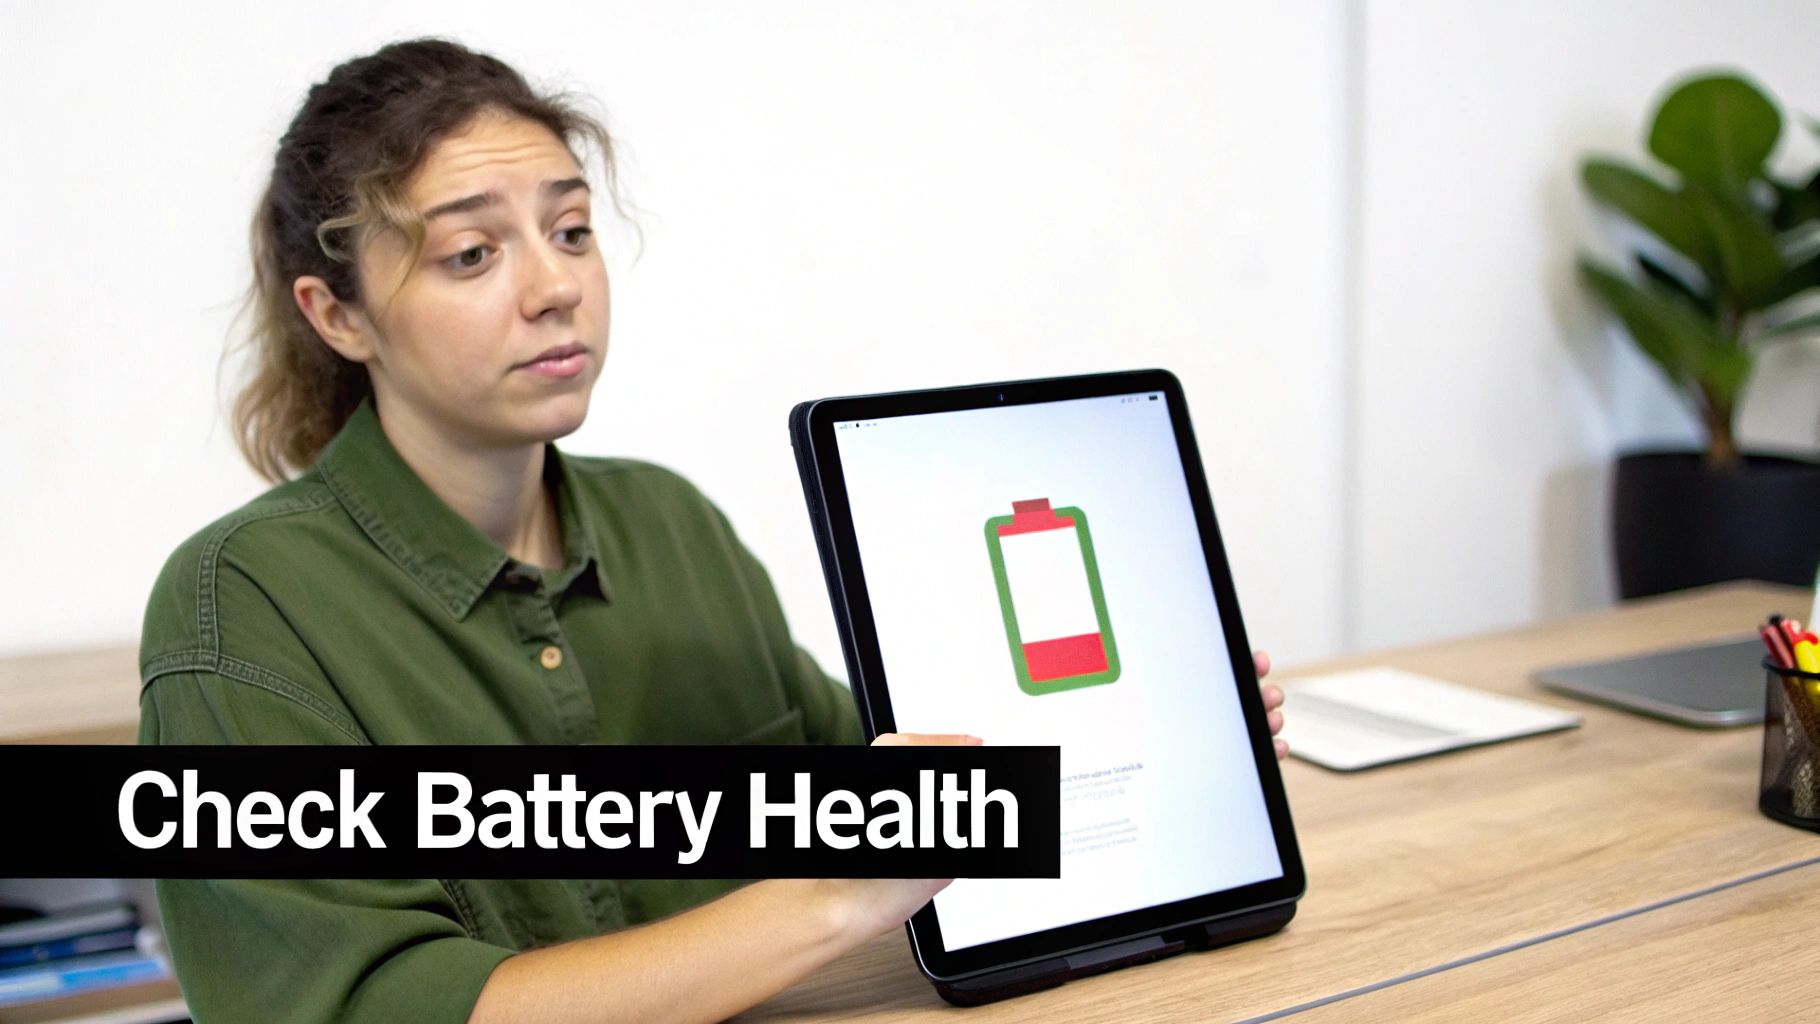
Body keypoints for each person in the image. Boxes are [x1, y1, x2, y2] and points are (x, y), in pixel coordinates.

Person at [137, 37, 1290, 1024]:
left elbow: (873, 800)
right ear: (335, 314)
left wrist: (1141, 726)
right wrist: (835, 893)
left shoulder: (671, 522)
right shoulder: (241, 606)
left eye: (573, 231)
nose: (553, 288)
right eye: (472, 253)